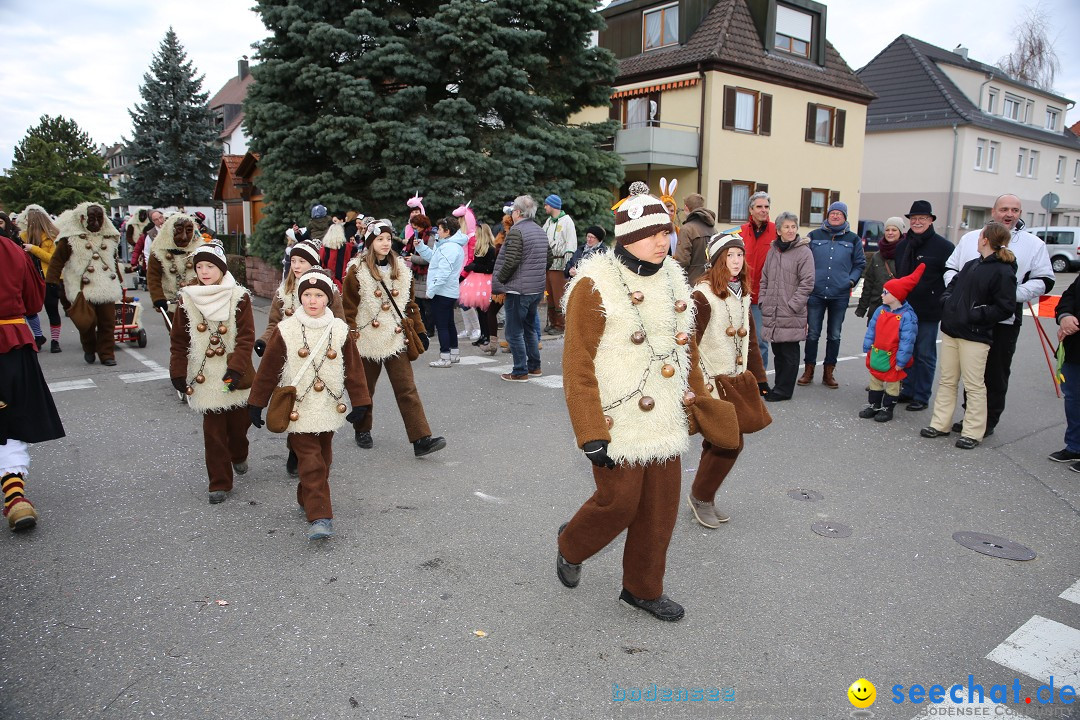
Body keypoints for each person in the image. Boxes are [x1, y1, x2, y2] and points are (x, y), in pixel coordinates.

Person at [557, 190, 733, 622]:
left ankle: (642, 589)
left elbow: (684, 346)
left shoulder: (674, 277)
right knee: (618, 504)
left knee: (659, 512)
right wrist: (590, 430)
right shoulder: (592, 284)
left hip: (666, 418)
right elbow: (577, 362)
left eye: (666, 233)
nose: (664, 242)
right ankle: (571, 544)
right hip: (617, 420)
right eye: (653, 234)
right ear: (628, 236)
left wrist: (699, 402)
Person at [248, 268, 371, 540]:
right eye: (306, 294)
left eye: (318, 295)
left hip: (329, 405)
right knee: (312, 460)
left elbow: (354, 369)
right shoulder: (286, 329)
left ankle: (307, 496)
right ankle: (320, 517)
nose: (312, 300)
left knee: (324, 459)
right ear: (299, 297)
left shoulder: (339, 330)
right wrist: (256, 403)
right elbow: (268, 369)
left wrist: (361, 403)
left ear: (328, 299)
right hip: (298, 408)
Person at [944, 194, 1055, 436]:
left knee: (996, 371)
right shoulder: (971, 238)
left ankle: (988, 421)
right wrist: (957, 294)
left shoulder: (1033, 244)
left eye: (1015, 210)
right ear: (993, 211)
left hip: (1004, 318)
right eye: (1004, 209)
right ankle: (971, 416)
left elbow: (1046, 280)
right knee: (972, 371)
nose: (1009, 214)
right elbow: (951, 268)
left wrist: (1011, 294)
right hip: (969, 315)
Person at [342, 221, 445, 457]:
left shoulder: (402, 269)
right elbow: (348, 308)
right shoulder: (357, 271)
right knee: (366, 390)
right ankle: (362, 429)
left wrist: (419, 331)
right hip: (367, 339)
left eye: (388, 239)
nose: (386, 243)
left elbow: (409, 305)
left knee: (407, 388)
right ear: (370, 243)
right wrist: (350, 336)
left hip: (395, 338)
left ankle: (421, 439)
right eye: (380, 239)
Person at [687, 232, 767, 527]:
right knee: (730, 443)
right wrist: (695, 384)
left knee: (718, 442)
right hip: (710, 381)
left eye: (740, 255)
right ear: (717, 260)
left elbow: (752, 339)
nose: (736, 261)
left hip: (736, 381)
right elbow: (688, 343)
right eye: (729, 255)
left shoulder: (743, 293)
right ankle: (701, 496)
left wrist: (758, 377)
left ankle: (702, 495)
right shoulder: (702, 295)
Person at [168, 242, 254, 504]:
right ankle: (219, 482)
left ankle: (239, 453)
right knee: (214, 431)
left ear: (221, 268)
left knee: (239, 425)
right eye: (200, 266)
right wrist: (178, 371)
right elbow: (179, 340)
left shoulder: (239, 297)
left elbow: (246, 337)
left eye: (210, 266)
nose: (204, 271)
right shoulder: (188, 298)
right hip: (204, 374)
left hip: (233, 372)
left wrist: (236, 370)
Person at [921, 223, 1017, 449]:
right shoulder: (971, 264)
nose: (977, 238)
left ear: (985, 240)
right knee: (947, 380)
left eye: (980, 235)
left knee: (974, 385)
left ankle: (973, 432)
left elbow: (1005, 307)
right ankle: (940, 424)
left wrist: (975, 314)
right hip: (952, 330)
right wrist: (947, 302)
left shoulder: (1003, 270)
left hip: (976, 335)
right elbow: (951, 287)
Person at [0, 230, 65, 531]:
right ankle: (16, 499)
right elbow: (32, 302)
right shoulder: (13, 250)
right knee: (10, 420)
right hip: (11, 344)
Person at [891, 201, 954, 412]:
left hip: (929, 310)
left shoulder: (944, 247)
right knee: (906, 351)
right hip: (904, 309)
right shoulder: (902, 246)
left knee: (925, 354)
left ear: (931, 220)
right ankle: (907, 390)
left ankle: (921, 395)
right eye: (914, 218)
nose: (917, 222)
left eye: (922, 218)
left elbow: (951, 279)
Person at [45, 202, 124, 366]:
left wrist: (120, 280)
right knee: (86, 323)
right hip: (83, 287)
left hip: (106, 286)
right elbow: (57, 261)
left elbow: (113, 260)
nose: (96, 223)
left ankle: (107, 354)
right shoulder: (70, 239)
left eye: (99, 218)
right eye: (92, 218)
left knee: (107, 323)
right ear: (82, 219)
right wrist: (52, 282)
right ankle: (89, 347)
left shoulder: (109, 237)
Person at [799, 201, 865, 388]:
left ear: (845, 217)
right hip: (816, 293)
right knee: (812, 334)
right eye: (832, 213)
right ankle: (808, 370)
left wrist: (850, 281)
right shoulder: (814, 236)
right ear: (827, 216)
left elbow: (860, 263)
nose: (835, 216)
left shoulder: (853, 239)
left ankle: (829, 372)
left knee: (834, 335)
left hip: (840, 294)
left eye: (839, 214)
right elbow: (803, 260)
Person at [758, 212, 814, 402]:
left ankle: (784, 390)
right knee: (778, 352)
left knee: (789, 352)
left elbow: (807, 282)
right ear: (779, 230)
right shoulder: (773, 250)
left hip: (790, 311)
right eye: (786, 227)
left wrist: (793, 306)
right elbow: (764, 278)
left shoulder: (803, 252)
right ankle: (779, 386)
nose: (790, 230)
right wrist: (763, 300)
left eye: (793, 227)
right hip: (772, 309)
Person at [255, 240, 344, 359]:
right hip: (289, 353)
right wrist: (264, 341)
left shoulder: (329, 290)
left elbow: (340, 324)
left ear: (313, 263)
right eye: (293, 261)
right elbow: (274, 323)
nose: (296, 266)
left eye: (302, 261)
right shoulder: (284, 291)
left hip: (320, 354)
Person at [492, 195, 547, 381]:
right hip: (535, 288)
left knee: (513, 331)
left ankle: (520, 370)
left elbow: (511, 260)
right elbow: (549, 257)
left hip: (518, 289)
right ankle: (534, 367)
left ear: (517, 212)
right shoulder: (540, 230)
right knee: (530, 328)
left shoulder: (517, 231)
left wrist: (500, 280)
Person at [859, 264, 924, 422]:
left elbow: (907, 340)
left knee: (893, 383)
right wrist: (868, 346)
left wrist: (901, 361)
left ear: (896, 295)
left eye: (885, 292)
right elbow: (872, 330)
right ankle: (874, 404)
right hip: (877, 352)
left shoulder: (907, 316)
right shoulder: (880, 310)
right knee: (875, 379)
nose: (882, 295)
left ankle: (887, 408)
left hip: (893, 356)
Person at [413, 217, 467, 368]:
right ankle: (454, 354)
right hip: (447, 291)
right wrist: (421, 247)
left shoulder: (449, 247)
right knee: (449, 323)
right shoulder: (445, 245)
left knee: (442, 325)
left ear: (447, 231)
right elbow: (433, 258)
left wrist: (431, 290)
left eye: (440, 230)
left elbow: (443, 272)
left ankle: (445, 357)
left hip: (443, 292)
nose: (437, 232)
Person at [740, 191, 775, 370]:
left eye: (766, 207)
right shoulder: (740, 232)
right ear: (751, 210)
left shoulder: (777, 232)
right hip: (740, 295)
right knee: (739, 339)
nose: (764, 210)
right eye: (759, 207)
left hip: (762, 299)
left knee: (761, 342)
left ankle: (760, 382)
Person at [18, 205, 59, 350]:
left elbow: (52, 259)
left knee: (52, 310)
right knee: (30, 310)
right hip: (30, 279)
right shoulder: (22, 237)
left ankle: (55, 342)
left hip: (48, 279)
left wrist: (33, 249)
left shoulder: (51, 237)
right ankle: (38, 336)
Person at [1049, 275, 1080, 471]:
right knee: (1074, 399)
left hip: (1074, 333)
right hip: (1075, 348)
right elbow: (1068, 297)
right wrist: (1065, 316)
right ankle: (1075, 446)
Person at [855, 216, 904, 324]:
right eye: (887, 230)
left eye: (894, 230)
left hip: (898, 309)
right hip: (876, 308)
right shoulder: (877, 256)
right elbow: (869, 283)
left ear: (900, 232)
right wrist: (862, 307)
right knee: (873, 340)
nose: (890, 233)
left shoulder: (905, 254)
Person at [148, 213, 199, 315]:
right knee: (175, 330)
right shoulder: (158, 253)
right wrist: (158, 298)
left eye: (189, 231)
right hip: (171, 303)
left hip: (197, 302)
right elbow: (153, 277)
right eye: (179, 231)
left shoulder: (199, 251)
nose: (184, 237)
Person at [541, 194, 576, 334]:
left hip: (560, 264)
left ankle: (561, 325)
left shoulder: (567, 221)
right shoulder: (548, 222)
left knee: (559, 295)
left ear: (552, 206)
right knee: (548, 294)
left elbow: (571, 242)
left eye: (546, 205)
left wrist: (567, 264)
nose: (545, 207)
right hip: (548, 264)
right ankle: (553, 321)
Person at [460, 223, 496, 348]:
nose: (474, 234)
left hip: (486, 282)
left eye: (476, 233)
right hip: (477, 281)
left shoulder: (491, 249)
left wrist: (474, 267)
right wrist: (471, 266)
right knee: (480, 311)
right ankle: (483, 334)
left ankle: (488, 335)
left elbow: (490, 268)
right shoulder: (478, 248)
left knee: (486, 311)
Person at [674, 192, 716, 286]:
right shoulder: (713, 229)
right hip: (710, 279)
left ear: (686, 207)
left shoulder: (687, 229)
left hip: (691, 281)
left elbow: (682, 260)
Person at [404, 213, 436, 336]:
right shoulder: (415, 237)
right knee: (418, 304)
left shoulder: (430, 237)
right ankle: (421, 328)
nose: (415, 230)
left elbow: (429, 258)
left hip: (426, 273)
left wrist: (413, 258)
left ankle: (430, 329)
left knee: (428, 305)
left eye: (416, 227)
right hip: (417, 274)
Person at [319, 222, 356, 293]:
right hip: (343, 280)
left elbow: (321, 263)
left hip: (327, 278)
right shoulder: (348, 247)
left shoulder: (323, 248)